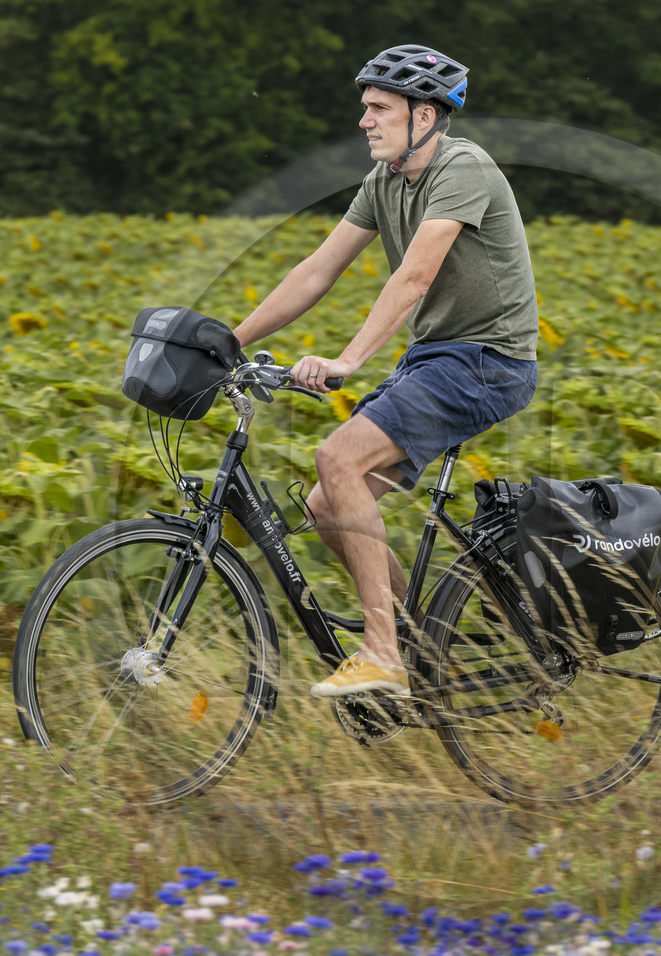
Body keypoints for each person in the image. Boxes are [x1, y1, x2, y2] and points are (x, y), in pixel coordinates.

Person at [232, 45, 539, 699]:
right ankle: (421, 648)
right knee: (325, 504)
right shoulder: (385, 181)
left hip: (488, 359)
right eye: (365, 108)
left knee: (336, 459)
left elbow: (414, 276)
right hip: (436, 356)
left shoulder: (463, 168)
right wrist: (230, 341)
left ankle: (383, 654)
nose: (365, 120)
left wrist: (348, 359)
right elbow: (318, 269)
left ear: (423, 114)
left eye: (378, 108)